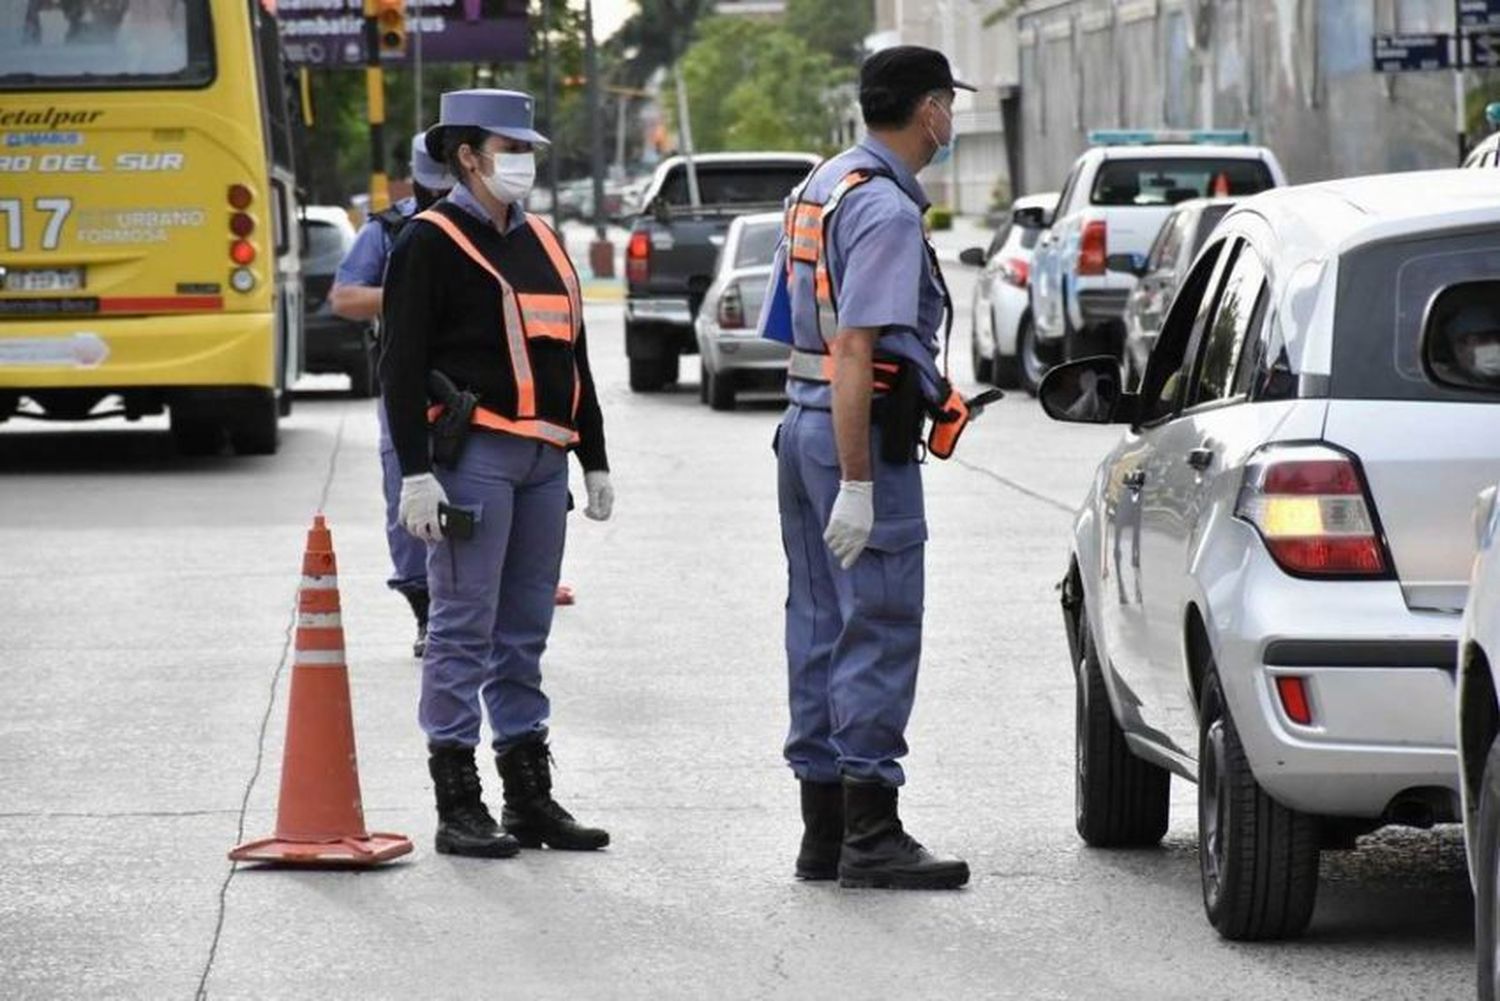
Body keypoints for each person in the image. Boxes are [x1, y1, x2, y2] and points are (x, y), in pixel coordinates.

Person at [380, 89, 614, 860]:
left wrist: (595, 455)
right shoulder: (429, 240)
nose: (523, 162)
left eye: (528, 149)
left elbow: (571, 354)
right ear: (467, 156)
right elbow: (400, 362)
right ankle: (458, 801)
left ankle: (529, 797)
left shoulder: (544, 240)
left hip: (546, 461)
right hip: (475, 457)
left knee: (523, 633)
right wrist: (415, 472)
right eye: (509, 148)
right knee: (461, 628)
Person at [769, 46, 978, 891]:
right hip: (855, 437)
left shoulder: (821, 185)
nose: (950, 121)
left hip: (802, 425)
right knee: (880, 624)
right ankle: (872, 832)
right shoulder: (885, 211)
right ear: (928, 109)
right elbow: (857, 349)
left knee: (819, 623)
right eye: (947, 106)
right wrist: (859, 480)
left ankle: (823, 831)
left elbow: (789, 321)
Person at [331, 132, 454, 659]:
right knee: (406, 495)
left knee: (483, 492)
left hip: (482, 382)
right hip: (408, 381)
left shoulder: (500, 221)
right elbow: (345, 296)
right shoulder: (388, 228)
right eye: (432, 191)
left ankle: (476, 610)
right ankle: (426, 610)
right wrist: (410, 293)